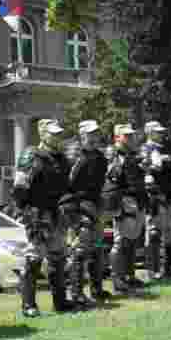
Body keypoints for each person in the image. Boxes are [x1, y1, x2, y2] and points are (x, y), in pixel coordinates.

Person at [12, 119, 72, 317]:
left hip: (56, 211)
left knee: (58, 257)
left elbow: (66, 187)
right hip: (37, 212)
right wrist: (25, 211)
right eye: (52, 133)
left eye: (58, 134)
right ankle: (28, 305)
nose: (57, 137)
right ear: (42, 134)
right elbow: (19, 186)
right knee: (35, 257)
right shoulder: (31, 154)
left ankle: (60, 302)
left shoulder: (62, 158)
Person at [62, 120, 110, 308]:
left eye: (96, 134)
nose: (93, 137)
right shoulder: (74, 156)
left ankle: (97, 289)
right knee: (80, 251)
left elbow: (102, 184)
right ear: (82, 135)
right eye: (90, 134)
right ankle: (76, 293)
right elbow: (67, 187)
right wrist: (74, 213)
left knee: (98, 248)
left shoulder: (100, 157)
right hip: (80, 208)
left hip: (97, 207)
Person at [102, 124, 148, 294]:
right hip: (123, 200)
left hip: (137, 200)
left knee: (131, 241)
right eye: (126, 136)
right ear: (117, 138)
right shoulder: (113, 154)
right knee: (121, 241)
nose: (130, 138)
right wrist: (116, 205)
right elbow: (111, 181)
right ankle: (117, 279)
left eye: (131, 135)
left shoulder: (133, 153)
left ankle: (129, 276)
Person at [140, 120, 171, 280]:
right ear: (149, 132)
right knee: (154, 232)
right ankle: (152, 271)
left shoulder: (164, 148)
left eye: (161, 131)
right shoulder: (145, 149)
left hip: (168, 194)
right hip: (154, 197)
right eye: (157, 131)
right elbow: (147, 170)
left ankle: (168, 268)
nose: (161, 134)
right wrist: (164, 161)